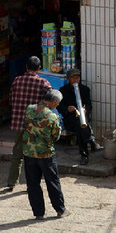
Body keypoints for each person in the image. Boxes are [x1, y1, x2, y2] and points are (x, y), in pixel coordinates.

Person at [6, 56, 53, 189]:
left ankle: (12, 182)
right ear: (39, 68)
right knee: (35, 156)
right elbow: (51, 101)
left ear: (26, 67)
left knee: (18, 153)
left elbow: (11, 99)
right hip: (36, 126)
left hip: (20, 123)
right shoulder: (44, 83)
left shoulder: (17, 80)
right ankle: (32, 185)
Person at [22, 90, 68, 219]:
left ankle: (38, 213)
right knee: (52, 182)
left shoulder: (29, 109)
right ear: (54, 101)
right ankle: (60, 209)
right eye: (57, 104)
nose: (57, 106)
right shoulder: (52, 117)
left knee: (32, 183)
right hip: (45, 154)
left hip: (29, 152)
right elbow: (56, 136)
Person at [58, 66, 102, 165]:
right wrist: (67, 109)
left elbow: (89, 104)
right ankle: (91, 141)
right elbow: (59, 106)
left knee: (80, 126)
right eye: (73, 78)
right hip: (69, 119)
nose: (75, 80)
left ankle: (84, 155)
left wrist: (85, 109)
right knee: (79, 124)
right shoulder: (63, 90)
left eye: (77, 78)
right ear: (68, 79)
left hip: (83, 118)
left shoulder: (84, 89)